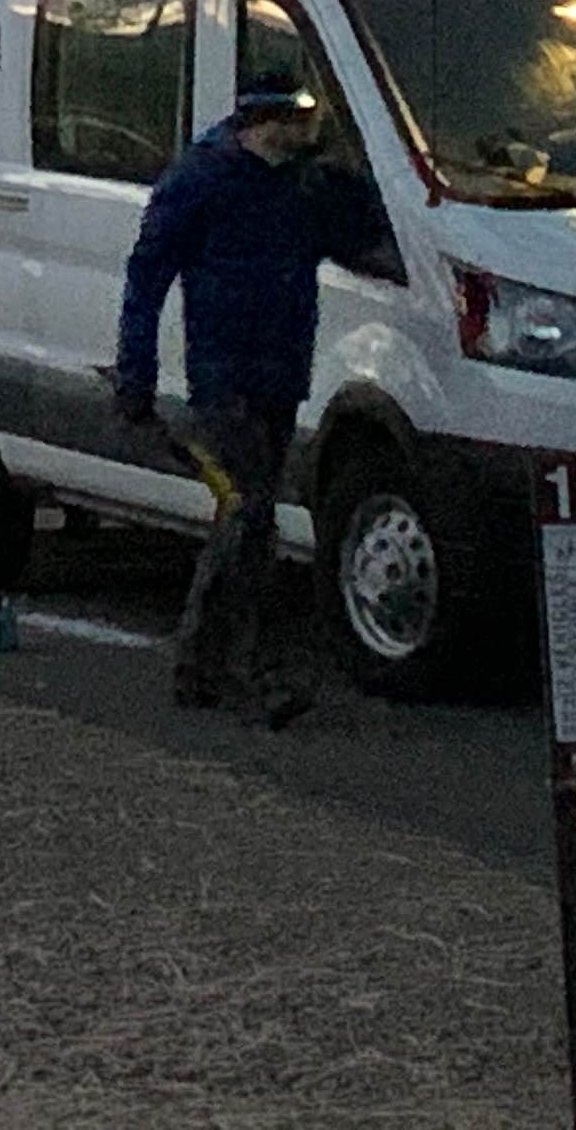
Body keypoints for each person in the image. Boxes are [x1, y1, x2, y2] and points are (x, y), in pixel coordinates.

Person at [112, 75, 397, 724]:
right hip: (223, 379)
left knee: (242, 520)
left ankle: (199, 667)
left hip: (280, 376)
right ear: (270, 121)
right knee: (250, 517)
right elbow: (146, 278)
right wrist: (137, 375)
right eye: (303, 118)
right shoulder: (202, 179)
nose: (313, 129)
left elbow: (365, 234)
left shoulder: (305, 186)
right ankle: (252, 673)